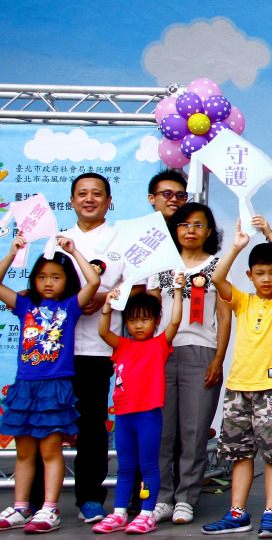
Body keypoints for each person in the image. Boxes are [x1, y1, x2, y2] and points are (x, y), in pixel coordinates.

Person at [202, 217, 272, 538]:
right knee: (239, 453)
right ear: (250, 275)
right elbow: (217, 277)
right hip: (238, 388)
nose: (267, 278)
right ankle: (237, 513)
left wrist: (270, 235)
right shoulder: (242, 301)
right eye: (259, 273)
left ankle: (271, 512)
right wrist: (236, 246)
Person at [0, 235, 100, 533]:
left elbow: (93, 282)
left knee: (50, 451)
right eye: (42, 276)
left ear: (66, 281)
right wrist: (12, 253)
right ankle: (21, 508)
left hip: (54, 388)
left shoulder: (70, 305)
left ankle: (49, 509)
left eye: (56, 277)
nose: (48, 282)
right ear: (34, 279)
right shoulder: (24, 305)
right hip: (24, 387)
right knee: (24, 452)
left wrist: (74, 251)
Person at [149, 203, 230, 525]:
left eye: (199, 225)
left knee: (194, 431)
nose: (191, 230)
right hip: (161, 353)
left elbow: (224, 316)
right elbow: (150, 313)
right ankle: (162, 497)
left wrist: (219, 358)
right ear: (175, 229)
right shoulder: (160, 265)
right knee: (162, 431)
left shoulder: (217, 266)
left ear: (209, 232)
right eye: (184, 224)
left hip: (202, 353)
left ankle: (185, 498)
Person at [61, 172, 134, 523]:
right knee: (46, 424)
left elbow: (138, 289)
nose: (89, 199)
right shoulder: (58, 242)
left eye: (96, 194)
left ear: (108, 201)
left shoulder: (122, 240)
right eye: (82, 193)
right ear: (72, 201)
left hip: (98, 348)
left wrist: (105, 297)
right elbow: (44, 286)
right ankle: (34, 501)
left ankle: (90, 498)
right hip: (56, 350)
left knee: (91, 425)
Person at [93, 285, 184, 534]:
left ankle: (147, 514)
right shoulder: (122, 345)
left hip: (148, 416)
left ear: (156, 321)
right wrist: (107, 306)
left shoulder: (159, 344)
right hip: (123, 416)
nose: (138, 325)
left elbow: (175, 321)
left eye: (144, 319)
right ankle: (119, 513)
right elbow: (103, 331)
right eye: (132, 320)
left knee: (149, 466)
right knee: (125, 467)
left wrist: (178, 291)